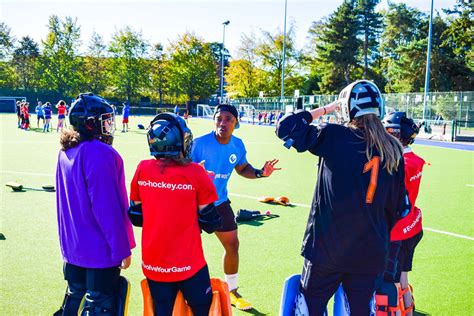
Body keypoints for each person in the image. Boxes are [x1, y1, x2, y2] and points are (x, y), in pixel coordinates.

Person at [276, 80, 408, 315]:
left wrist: (327, 109)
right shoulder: (394, 150)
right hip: (371, 251)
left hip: (327, 249)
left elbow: (285, 127)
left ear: (347, 107)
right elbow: (400, 208)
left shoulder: (334, 135)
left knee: (309, 308)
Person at [191, 103, 281, 310]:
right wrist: (196, 173)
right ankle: (185, 287)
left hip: (219, 202)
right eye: (219, 118)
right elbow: (183, 170)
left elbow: (242, 168)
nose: (223, 122)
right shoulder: (198, 144)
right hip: (193, 205)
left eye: (228, 119)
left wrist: (260, 173)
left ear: (236, 123)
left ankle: (232, 291)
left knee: (232, 245)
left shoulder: (237, 146)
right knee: (188, 248)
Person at [130, 113, 219, 315]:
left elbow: (136, 216)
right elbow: (211, 223)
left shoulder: (143, 168)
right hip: (190, 265)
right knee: (202, 309)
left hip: (154, 265)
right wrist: (202, 182)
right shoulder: (196, 173)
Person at [54, 93, 135, 315]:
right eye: (106, 120)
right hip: (100, 251)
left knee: (74, 303)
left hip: (74, 249)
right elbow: (107, 208)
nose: (109, 126)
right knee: (101, 306)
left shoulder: (66, 151)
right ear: (91, 124)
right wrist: (121, 247)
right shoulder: (101, 153)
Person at [383, 112, 425, 315]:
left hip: (397, 232)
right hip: (413, 226)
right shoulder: (415, 160)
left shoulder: (398, 164)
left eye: (388, 131)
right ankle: (408, 311)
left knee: (390, 284)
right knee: (403, 278)